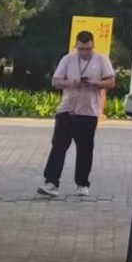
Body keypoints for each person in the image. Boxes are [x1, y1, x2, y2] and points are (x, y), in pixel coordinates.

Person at [40, 30, 117, 198]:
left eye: (88, 49)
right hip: (67, 110)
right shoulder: (67, 59)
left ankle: (82, 184)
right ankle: (51, 182)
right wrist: (71, 83)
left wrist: (96, 83)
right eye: (81, 49)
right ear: (76, 47)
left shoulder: (101, 59)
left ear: (93, 46)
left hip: (88, 112)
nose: (85, 52)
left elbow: (111, 81)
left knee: (85, 149)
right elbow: (55, 81)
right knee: (59, 147)